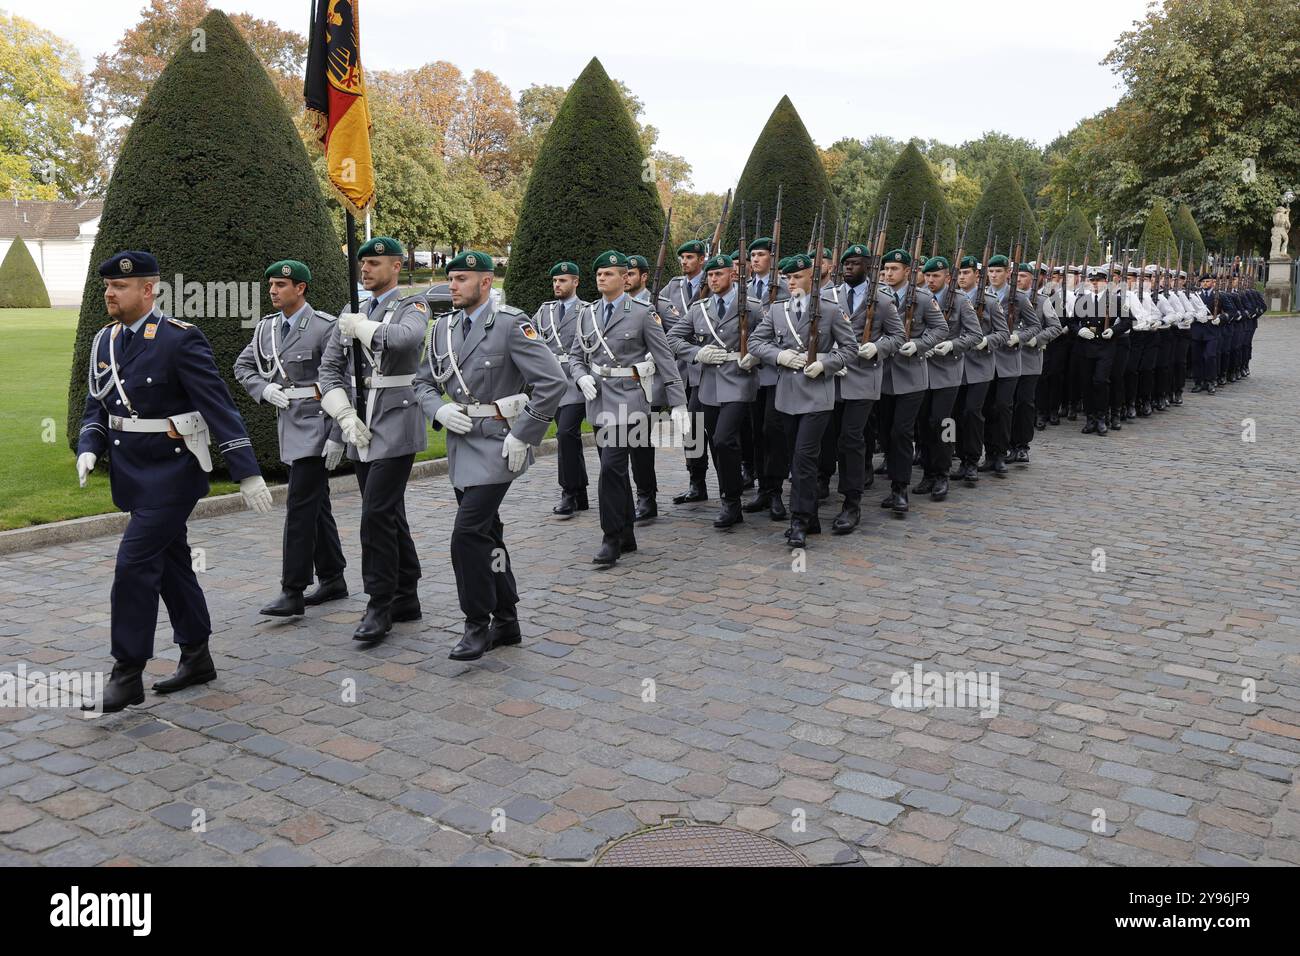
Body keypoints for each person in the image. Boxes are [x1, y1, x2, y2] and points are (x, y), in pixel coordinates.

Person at [76, 250, 273, 713]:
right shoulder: (104, 341)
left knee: (133, 564)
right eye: (107, 286)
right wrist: (90, 445)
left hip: (172, 473)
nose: (110, 293)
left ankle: (127, 672)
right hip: (132, 473)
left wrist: (246, 471)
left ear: (149, 290)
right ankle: (197, 653)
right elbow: (97, 404)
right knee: (171, 565)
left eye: (120, 286)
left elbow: (218, 406)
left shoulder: (180, 339)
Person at [415, 250, 566, 660]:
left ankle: (476, 622)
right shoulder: (443, 328)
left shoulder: (511, 324)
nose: (453, 286)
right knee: (488, 534)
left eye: (461, 278)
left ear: (486, 282)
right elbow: (422, 383)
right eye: (451, 278)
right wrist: (438, 409)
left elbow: (553, 382)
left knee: (466, 535)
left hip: (501, 445)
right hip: (462, 444)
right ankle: (507, 619)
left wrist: (525, 433)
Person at [317, 236, 428, 642]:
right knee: (387, 512)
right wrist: (343, 416)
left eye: (375, 263)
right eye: (362, 263)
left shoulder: (412, 305)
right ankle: (407, 592)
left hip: (396, 423)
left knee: (375, 515)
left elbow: (404, 339)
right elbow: (328, 369)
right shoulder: (352, 308)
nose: (365, 269)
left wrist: (363, 327)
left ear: (396, 266)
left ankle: (379, 602)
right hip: (359, 424)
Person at [234, 259, 349, 617]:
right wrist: (264, 389)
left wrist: (337, 434)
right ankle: (332, 578)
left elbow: (341, 382)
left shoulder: (324, 327)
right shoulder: (266, 329)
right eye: (271, 284)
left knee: (299, 506)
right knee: (317, 505)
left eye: (281, 285)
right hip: (290, 425)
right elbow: (243, 366)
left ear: (300, 288)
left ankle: (292, 589)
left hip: (317, 426)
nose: (272, 290)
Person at [571, 250, 689, 566]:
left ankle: (610, 538)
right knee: (616, 472)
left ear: (625, 278)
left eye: (608, 273)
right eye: (598, 273)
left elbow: (665, 359)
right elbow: (575, 356)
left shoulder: (641, 313)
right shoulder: (587, 313)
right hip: (598, 400)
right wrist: (581, 377)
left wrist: (678, 403)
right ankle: (626, 534)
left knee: (610, 468)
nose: (601, 277)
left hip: (630, 401)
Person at [748, 253, 856, 547]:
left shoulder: (831, 310)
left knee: (803, 458)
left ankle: (798, 520)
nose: (792, 282)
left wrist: (827, 364)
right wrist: (779, 355)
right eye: (788, 278)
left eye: (797, 276)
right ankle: (812, 519)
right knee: (796, 455)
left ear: (812, 276)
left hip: (818, 393)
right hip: (786, 394)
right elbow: (756, 343)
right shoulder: (777, 310)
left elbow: (850, 349)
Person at [667, 253, 762, 529]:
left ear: (732, 275)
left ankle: (731, 500)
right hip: (709, 384)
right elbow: (672, 338)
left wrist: (755, 355)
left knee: (723, 440)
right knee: (717, 443)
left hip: (739, 380)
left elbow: (767, 337)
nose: (713, 279)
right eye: (710, 275)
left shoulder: (752, 307)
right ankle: (729, 499)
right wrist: (697, 353)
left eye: (718, 274)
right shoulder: (699, 308)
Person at [824, 243, 904, 530]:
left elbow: (897, 336)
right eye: (845, 263)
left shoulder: (882, 300)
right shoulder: (828, 296)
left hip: (863, 379)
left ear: (868, 267)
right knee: (828, 438)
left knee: (851, 439)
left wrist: (877, 347)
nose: (848, 267)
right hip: (832, 376)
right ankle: (820, 487)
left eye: (855, 263)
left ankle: (852, 503)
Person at [877, 248, 947, 512]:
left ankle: (900, 489)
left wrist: (919, 344)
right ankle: (894, 480)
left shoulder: (923, 297)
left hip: (911, 375)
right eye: (885, 269)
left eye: (894, 269)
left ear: (908, 271)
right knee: (884, 433)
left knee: (902, 432)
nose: (888, 274)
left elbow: (941, 328)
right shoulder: (878, 297)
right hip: (882, 374)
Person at [918, 255, 981, 495]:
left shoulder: (961, 300)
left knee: (944, 422)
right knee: (923, 423)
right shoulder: (920, 298)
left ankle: (942, 472)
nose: (931, 280)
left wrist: (952, 345)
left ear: (947, 277)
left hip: (948, 370)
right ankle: (927, 472)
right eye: (928, 275)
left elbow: (974, 334)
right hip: (921, 368)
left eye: (936, 276)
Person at [532, 261, 589, 517]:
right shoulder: (544, 312)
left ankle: (568, 492)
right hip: (553, 383)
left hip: (576, 382)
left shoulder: (586, 311)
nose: (557, 285)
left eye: (563, 280)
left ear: (575, 282)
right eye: (555, 281)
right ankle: (581, 494)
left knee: (566, 434)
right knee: (570, 439)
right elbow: (530, 340)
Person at [659, 240, 711, 504]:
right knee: (690, 427)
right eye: (682, 257)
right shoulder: (673, 285)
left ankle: (740, 472)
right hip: (682, 367)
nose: (684, 261)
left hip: (708, 366)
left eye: (690, 257)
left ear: (702, 260)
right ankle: (696, 481)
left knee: (713, 427)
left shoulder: (714, 281)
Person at [625, 254, 663, 522]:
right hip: (621, 383)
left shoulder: (659, 303)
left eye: (630, 273)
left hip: (651, 383)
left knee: (640, 444)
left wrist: (655, 354)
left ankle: (646, 498)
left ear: (644, 276)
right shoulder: (617, 307)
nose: (625, 278)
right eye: (622, 273)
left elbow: (676, 335)